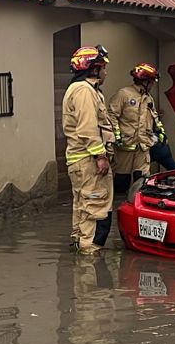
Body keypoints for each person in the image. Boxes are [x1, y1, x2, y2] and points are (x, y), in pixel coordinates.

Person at [62, 44, 115, 254]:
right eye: (103, 67)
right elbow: (87, 128)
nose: (105, 72)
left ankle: (80, 250)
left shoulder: (83, 89)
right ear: (94, 69)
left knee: (83, 207)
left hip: (80, 161)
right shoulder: (84, 91)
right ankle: (89, 259)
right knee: (96, 208)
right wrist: (100, 155)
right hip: (88, 162)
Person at [109, 63, 161, 196]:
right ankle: (119, 203)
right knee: (121, 180)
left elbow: (154, 116)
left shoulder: (148, 98)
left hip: (143, 145)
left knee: (142, 178)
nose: (152, 85)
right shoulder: (124, 94)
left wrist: (160, 132)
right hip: (125, 146)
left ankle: (139, 202)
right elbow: (112, 115)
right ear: (145, 81)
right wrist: (116, 136)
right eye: (151, 82)